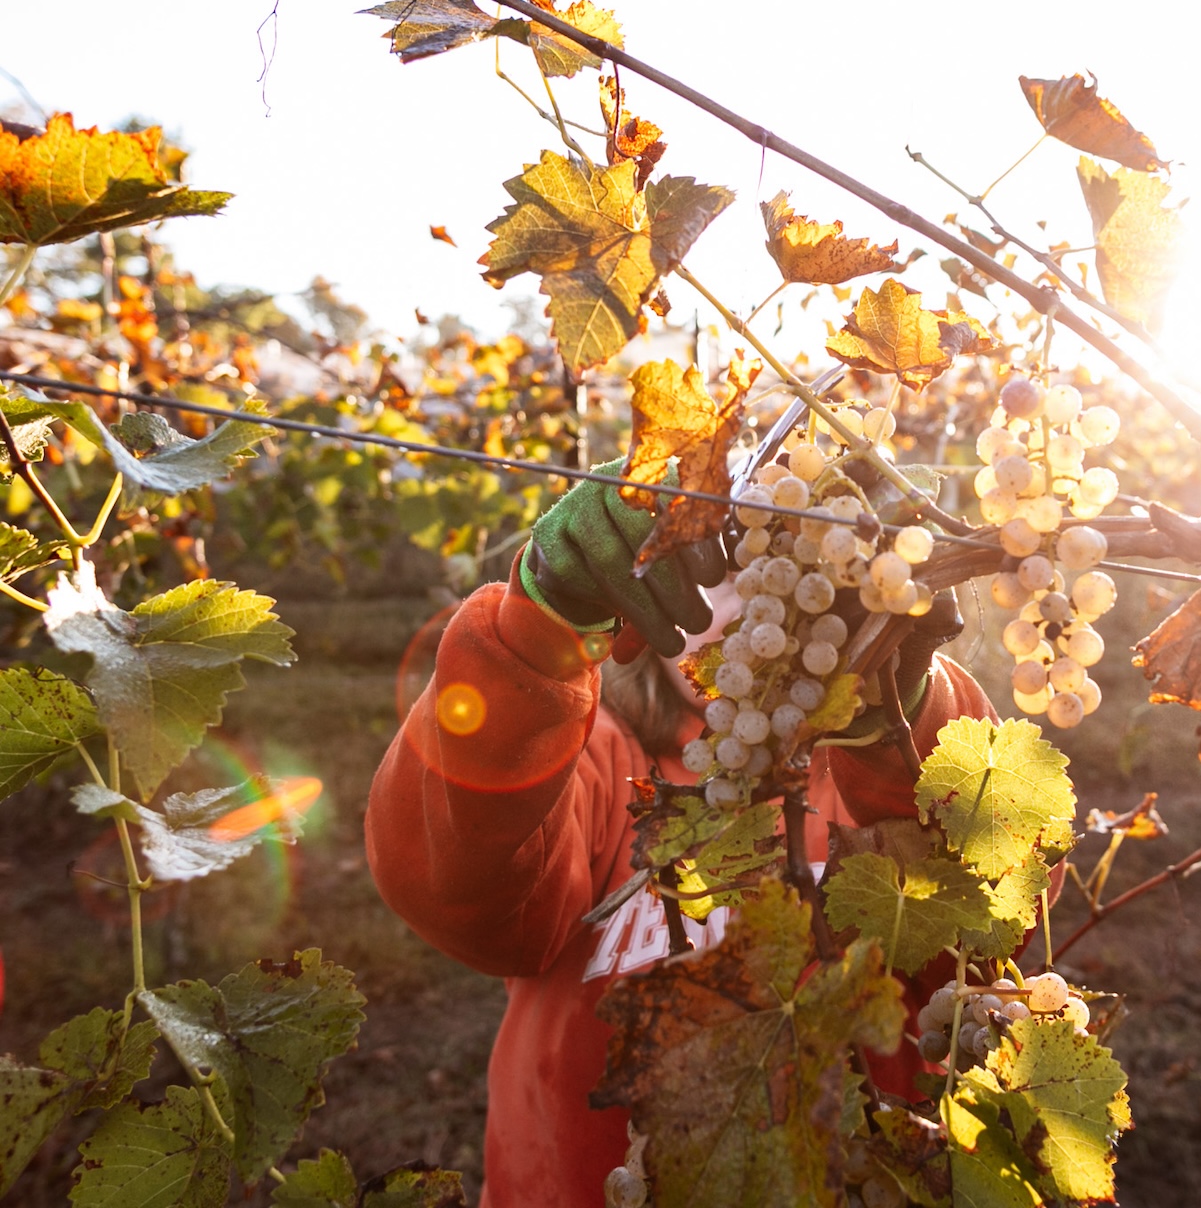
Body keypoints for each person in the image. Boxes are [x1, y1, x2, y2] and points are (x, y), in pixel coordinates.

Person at [365, 469, 981, 1208]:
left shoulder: (888, 772)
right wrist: (533, 643)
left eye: (779, 577)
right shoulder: (591, 760)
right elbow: (457, 889)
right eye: (713, 571)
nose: (751, 606)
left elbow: (987, 922)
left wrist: (901, 724)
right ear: (639, 595)